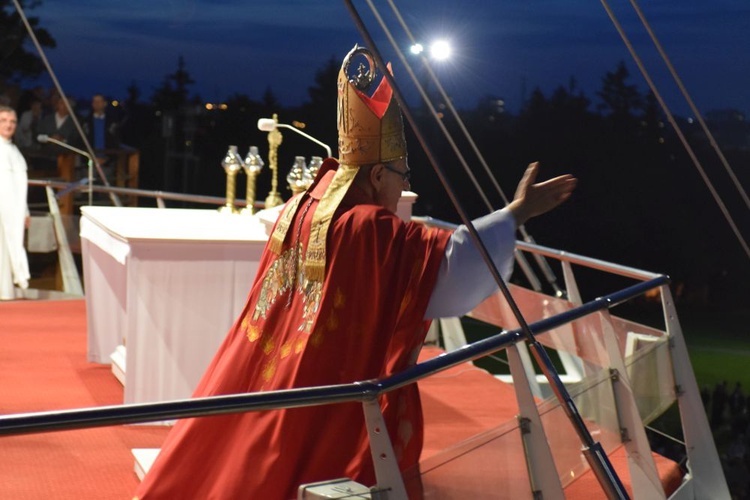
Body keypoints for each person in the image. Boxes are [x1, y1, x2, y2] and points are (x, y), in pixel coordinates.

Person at [134, 45, 577, 499]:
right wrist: (516, 214)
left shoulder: (303, 205)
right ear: (380, 174)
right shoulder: (367, 225)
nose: (405, 185)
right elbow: (447, 270)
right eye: (404, 174)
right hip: (319, 390)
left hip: (278, 370)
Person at [0, 105, 31, 300]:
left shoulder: (13, 149)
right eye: (3, 121)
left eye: (12, 121)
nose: (8, 125)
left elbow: (19, 187)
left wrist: (25, 211)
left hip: (12, 210)